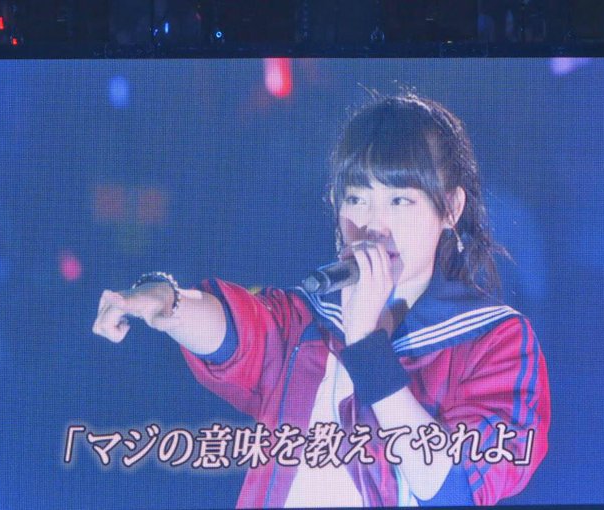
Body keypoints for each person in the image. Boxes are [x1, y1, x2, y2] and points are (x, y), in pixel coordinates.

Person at [92, 91, 550, 507]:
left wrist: (366, 344)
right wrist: (166, 302)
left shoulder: (496, 341)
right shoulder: (309, 319)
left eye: (399, 201)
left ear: (450, 208)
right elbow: (236, 330)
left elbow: (455, 487)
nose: (374, 225)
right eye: (357, 199)